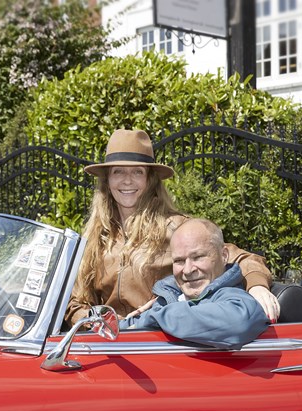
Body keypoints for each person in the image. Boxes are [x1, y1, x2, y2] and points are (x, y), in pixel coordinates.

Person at [64, 128, 279, 327]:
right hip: (108, 348)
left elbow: (241, 259)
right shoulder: (95, 238)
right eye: (118, 171)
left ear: (150, 180)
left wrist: (257, 285)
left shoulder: (177, 228)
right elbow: (75, 303)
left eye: (137, 172)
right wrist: (102, 323)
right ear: (107, 181)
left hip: (159, 344)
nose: (127, 180)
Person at [119, 219, 269, 349]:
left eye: (198, 257)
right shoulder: (169, 295)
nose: (188, 270)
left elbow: (238, 322)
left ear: (223, 256)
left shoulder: (234, 298)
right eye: (179, 261)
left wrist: (154, 318)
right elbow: (127, 327)